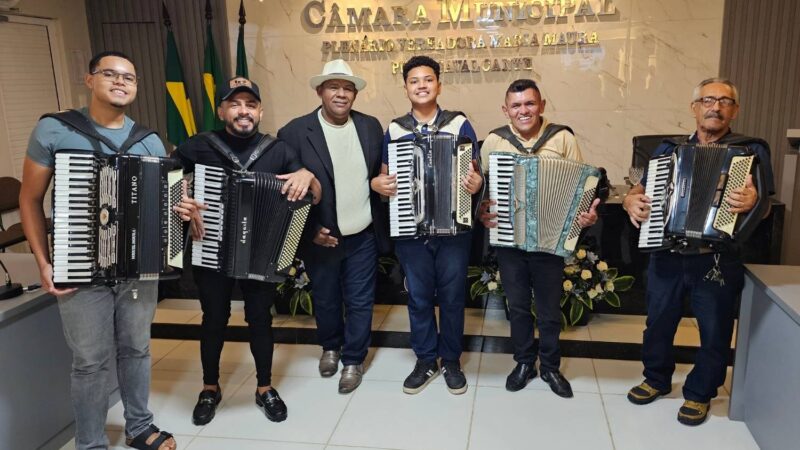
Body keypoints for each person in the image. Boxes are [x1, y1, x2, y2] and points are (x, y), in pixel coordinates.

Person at [19, 51, 178, 450]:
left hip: (138, 269)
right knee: (89, 362)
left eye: (130, 77)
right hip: (79, 265)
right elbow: (29, 199)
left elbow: (164, 205)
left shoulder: (150, 140)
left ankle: (139, 427)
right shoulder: (54, 130)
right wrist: (43, 262)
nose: (121, 81)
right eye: (110, 73)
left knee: (137, 350)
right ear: (89, 80)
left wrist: (183, 207)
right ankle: (90, 443)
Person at [622, 77, 774, 426]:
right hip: (667, 252)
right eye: (708, 100)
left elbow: (765, 203)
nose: (715, 107)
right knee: (658, 322)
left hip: (717, 255)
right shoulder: (667, 150)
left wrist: (754, 202)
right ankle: (656, 378)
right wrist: (632, 200)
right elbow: (640, 188)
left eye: (724, 101)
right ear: (694, 108)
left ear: (734, 110)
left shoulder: (751, 150)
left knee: (715, 327)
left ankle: (700, 392)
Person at [174, 76, 320, 424]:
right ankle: (210, 387)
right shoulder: (199, 146)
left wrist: (308, 176)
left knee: (260, 320)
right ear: (223, 110)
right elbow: (166, 176)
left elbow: (311, 193)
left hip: (261, 253)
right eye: (235, 104)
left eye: (250, 105)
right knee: (213, 320)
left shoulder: (278, 150)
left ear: (260, 111)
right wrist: (181, 195)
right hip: (210, 249)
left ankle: (264, 388)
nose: (243, 111)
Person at [478, 79, 599, 398]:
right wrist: (481, 212)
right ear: (506, 110)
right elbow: (478, 187)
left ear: (542, 104)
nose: (523, 111)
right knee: (517, 307)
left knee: (547, 310)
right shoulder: (494, 140)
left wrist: (585, 215)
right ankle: (523, 362)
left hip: (550, 240)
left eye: (529, 104)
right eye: (516, 105)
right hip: (509, 240)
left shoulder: (562, 137)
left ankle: (550, 366)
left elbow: (581, 185)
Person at [372, 55, 483, 395]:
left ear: (439, 84)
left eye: (428, 79)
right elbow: (383, 175)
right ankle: (424, 359)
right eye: (414, 80)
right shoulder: (394, 129)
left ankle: (450, 359)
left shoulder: (459, 123)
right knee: (419, 298)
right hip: (411, 229)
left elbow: (474, 171)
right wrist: (379, 186)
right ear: (405, 87)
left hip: (454, 229)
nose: (421, 85)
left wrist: (476, 184)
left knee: (451, 297)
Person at [278, 59, 390, 394]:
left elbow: (373, 175)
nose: (341, 94)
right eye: (334, 87)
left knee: (360, 300)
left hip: (363, 234)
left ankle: (353, 359)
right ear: (320, 91)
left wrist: (376, 183)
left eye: (348, 88)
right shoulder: (294, 132)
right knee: (326, 299)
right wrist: (310, 229)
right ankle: (330, 346)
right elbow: (286, 191)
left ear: (354, 94)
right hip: (321, 238)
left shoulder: (370, 127)